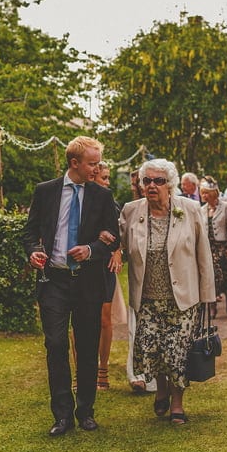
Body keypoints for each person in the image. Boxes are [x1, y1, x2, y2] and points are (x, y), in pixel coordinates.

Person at [23, 136, 120, 436]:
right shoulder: (46, 191)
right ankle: (62, 416)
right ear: (74, 163)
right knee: (55, 344)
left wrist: (91, 250)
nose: (97, 168)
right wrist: (32, 252)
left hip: (88, 282)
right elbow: (29, 231)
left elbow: (112, 237)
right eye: (93, 163)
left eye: (98, 163)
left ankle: (86, 411)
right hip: (54, 280)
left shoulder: (102, 196)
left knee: (87, 346)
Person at [120, 159, 217, 425]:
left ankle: (177, 403)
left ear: (170, 185)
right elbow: (118, 244)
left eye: (158, 181)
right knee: (151, 350)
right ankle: (161, 389)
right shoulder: (131, 212)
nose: (152, 186)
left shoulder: (189, 209)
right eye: (147, 181)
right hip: (148, 298)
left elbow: (203, 253)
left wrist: (207, 296)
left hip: (182, 298)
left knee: (176, 353)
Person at [90, 161, 127, 390]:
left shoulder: (111, 203)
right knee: (81, 320)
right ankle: (82, 370)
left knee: (105, 318)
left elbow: (119, 233)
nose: (107, 182)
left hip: (105, 267)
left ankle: (102, 370)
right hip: (84, 265)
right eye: (104, 178)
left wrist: (117, 251)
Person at [125, 169, 157, 394]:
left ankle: (155, 379)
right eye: (140, 182)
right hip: (139, 280)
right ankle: (136, 374)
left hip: (163, 281)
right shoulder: (130, 210)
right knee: (136, 329)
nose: (144, 185)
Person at [200, 177, 227, 315]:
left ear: (213, 193)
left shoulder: (226, 206)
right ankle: (212, 304)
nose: (203, 196)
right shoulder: (202, 210)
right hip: (209, 247)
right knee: (213, 275)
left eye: (206, 193)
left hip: (223, 245)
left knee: (226, 274)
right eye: (202, 193)